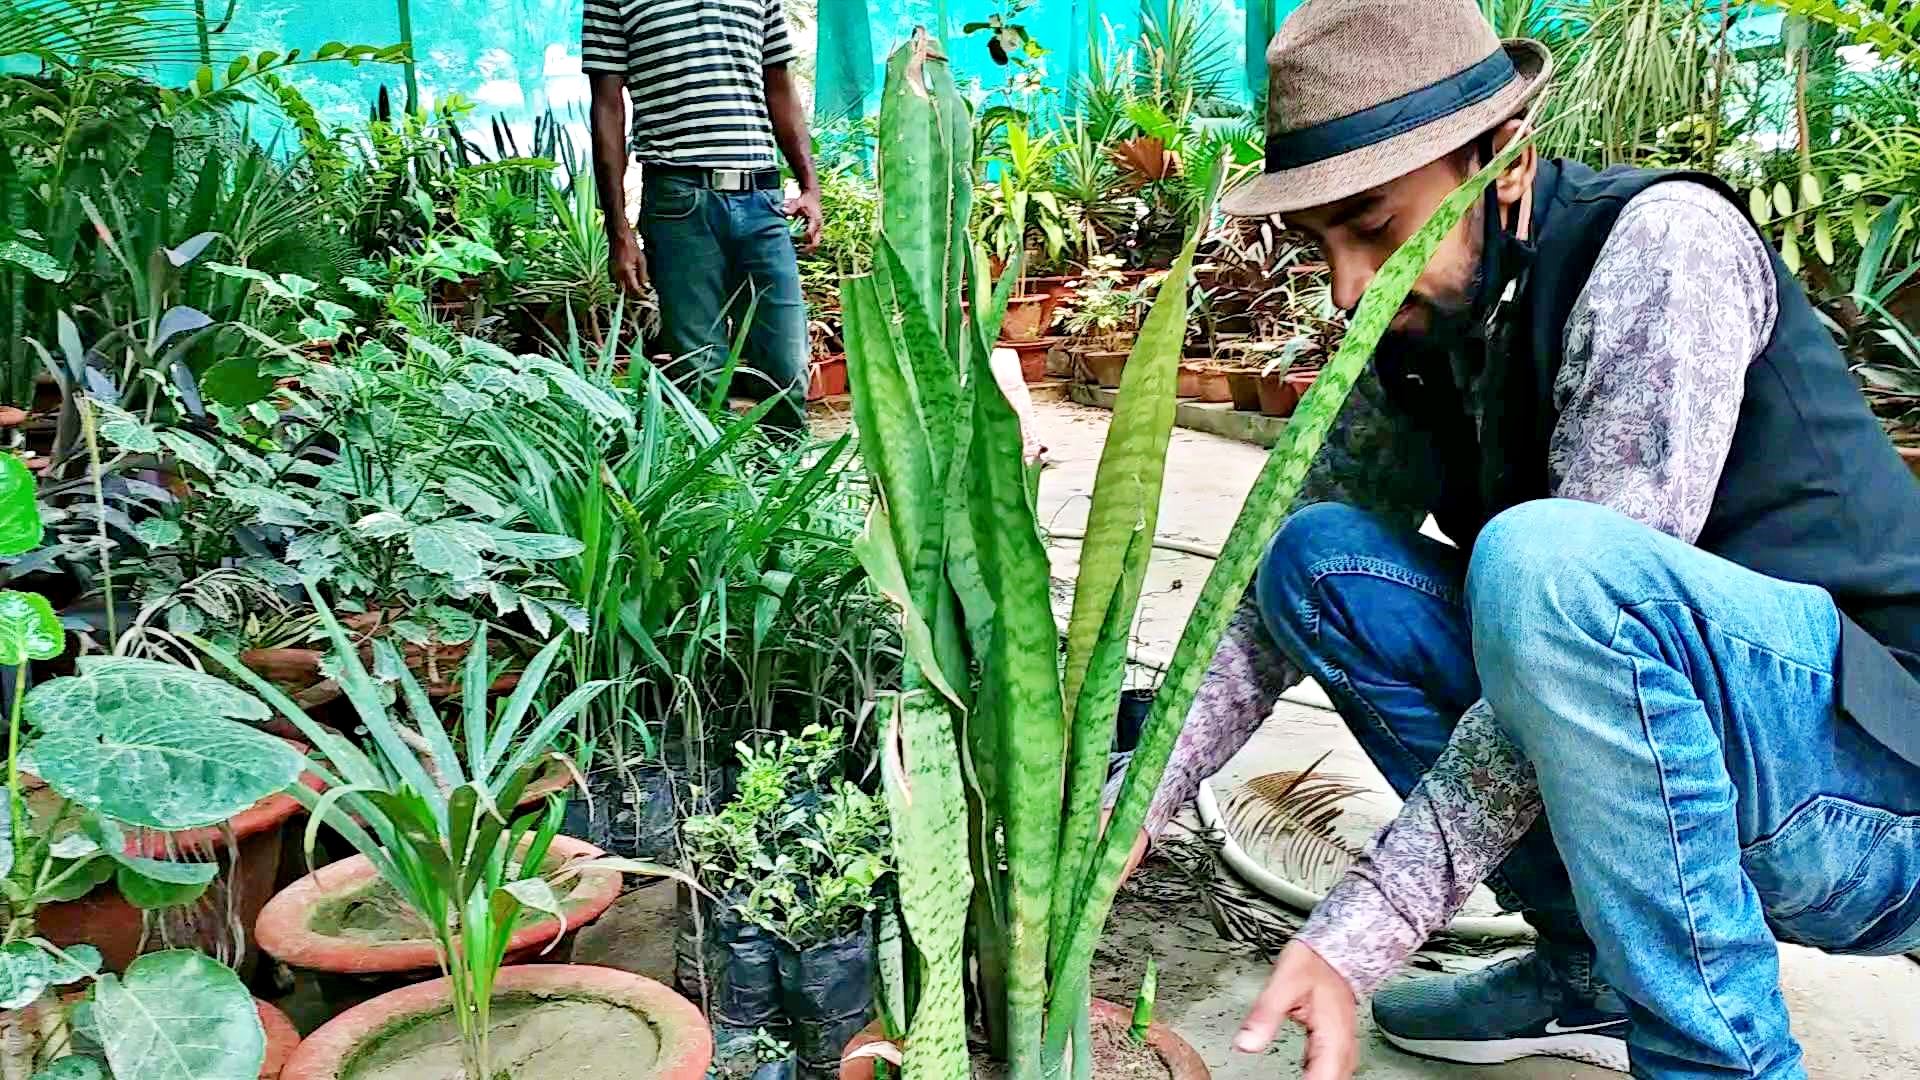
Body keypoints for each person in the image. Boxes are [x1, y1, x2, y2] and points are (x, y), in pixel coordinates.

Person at [1115, 2, 1920, 1078]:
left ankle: (1720, 1060)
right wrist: (1132, 807)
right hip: (1705, 779)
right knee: (1313, 561)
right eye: (1323, 248)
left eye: (1376, 226)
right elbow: (1263, 606)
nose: (1353, 289)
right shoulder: (1430, 321)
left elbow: (1577, 624)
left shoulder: (1661, 248)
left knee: (1548, 568)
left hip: (1870, 796)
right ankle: (1594, 974)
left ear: (1503, 160)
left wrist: (1365, 928)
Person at [583, 0, 821, 431]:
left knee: (785, 365)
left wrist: (809, 186)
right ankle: (716, 489)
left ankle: (782, 487)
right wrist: (618, 231)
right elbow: (607, 106)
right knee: (700, 373)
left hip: (761, 198)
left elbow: (779, 85)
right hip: (678, 203)